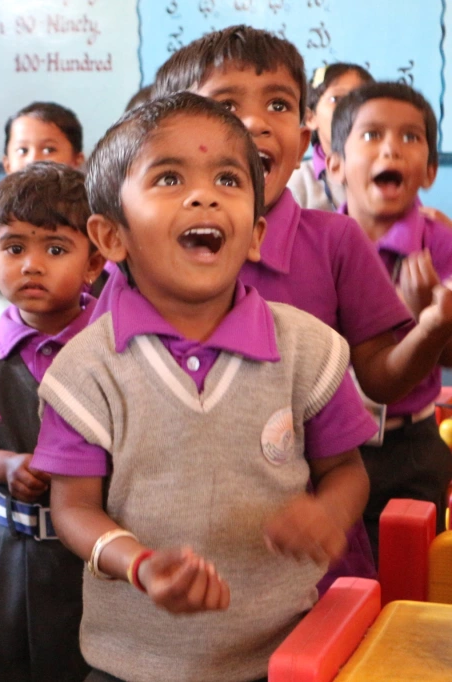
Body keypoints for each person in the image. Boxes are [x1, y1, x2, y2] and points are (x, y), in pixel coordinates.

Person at [34, 92, 375, 682]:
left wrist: (329, 512)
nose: (203, 194)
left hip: (284, 656)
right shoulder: (86, 368)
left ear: (255, 234)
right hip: (131, 663)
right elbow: (72, 508)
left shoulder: (308, 350)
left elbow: (347, 471)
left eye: (227, 178)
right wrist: (139, 564)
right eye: (169, 177)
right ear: (112, 238)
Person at [150, 24, 452, 591]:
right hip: (181, 539)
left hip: (311, 547)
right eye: (227, 103)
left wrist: (432, 326)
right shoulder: (145, 252)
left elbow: (381, 379)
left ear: (305, 131)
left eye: (280, 104)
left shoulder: (335, 241)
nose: (258, 120)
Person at [0, 162, 103, 682]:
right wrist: (5, 464)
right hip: (9, 557)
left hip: (97, 561)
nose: (32, 265)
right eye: (15, 248)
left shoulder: (114, 350)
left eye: (56, 249)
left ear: (95, 260)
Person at [329, 82, 452, 553]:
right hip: (327, 451)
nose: (390, 148)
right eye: (371, 135)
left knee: (405, 587)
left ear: (430, 169)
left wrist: (430, 323)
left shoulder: (441, 244)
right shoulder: (319, 246)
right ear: (335, 163)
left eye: (410, 137)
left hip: (409, 449)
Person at [0, 102, 87, 326]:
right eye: (23, 150)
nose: (33, 159)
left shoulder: (88, 216)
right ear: (8, 165)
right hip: (0, 345)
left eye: (48, 149)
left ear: (77, 161)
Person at [287, 63, 373, 211]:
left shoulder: (386, 170)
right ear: (310, 117)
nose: (350, 108)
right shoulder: (295, 184)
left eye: (361, 99)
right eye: (336, 99)